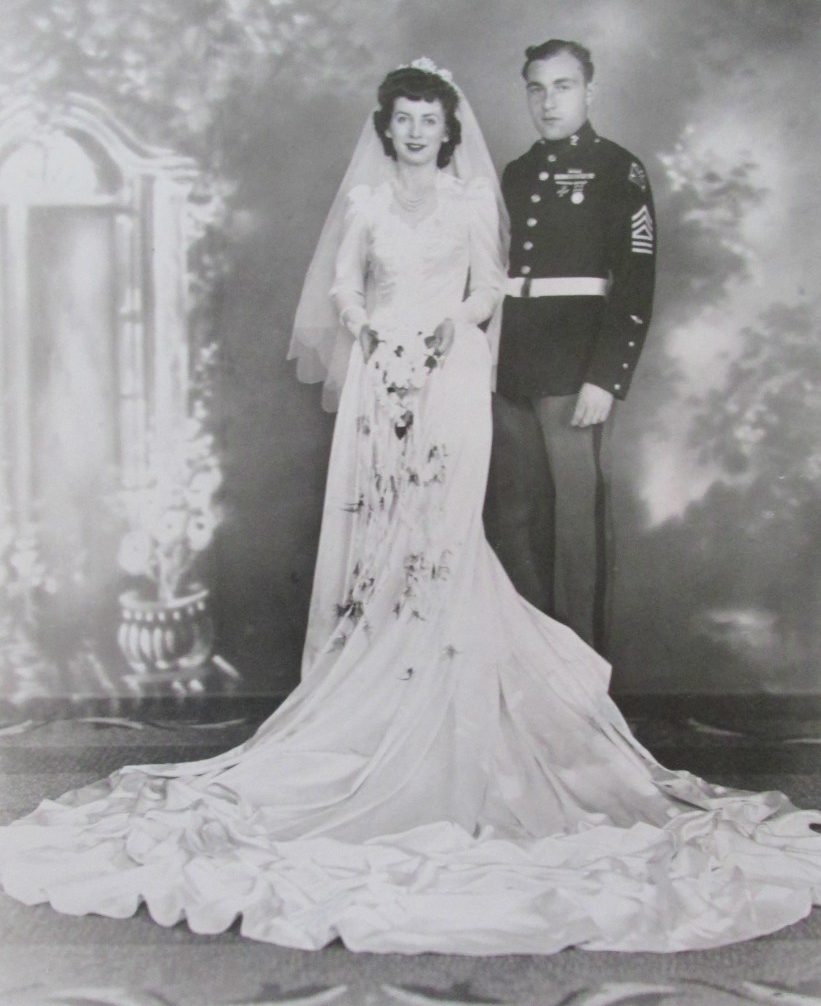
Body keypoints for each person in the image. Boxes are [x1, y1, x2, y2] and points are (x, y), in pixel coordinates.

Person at [0, 59, 819, 957]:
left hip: (458, 376)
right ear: (388, 129)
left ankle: (501, 689)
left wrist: (449, 333)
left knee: (458, 530)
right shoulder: (370, 204)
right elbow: (343, 288)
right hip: (379, 378)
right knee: (377, 525)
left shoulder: (494, 192)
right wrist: (373, 330)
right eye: (406, 120)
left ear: (448, 126)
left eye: (432, 118)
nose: (420, 131)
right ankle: (374, 688)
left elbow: (495, 285)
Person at [485, 39, 656, 653]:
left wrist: (606, 377)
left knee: (576, 526)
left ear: (589, 91)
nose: (548, 100)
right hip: (513, 364)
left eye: (562, 86)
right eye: (537, 87)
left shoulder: (619, 169)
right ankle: (532, 663)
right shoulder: (518, 171)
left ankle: (582, 673)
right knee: (513, 519)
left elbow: (635, 283)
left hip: (574, 366)